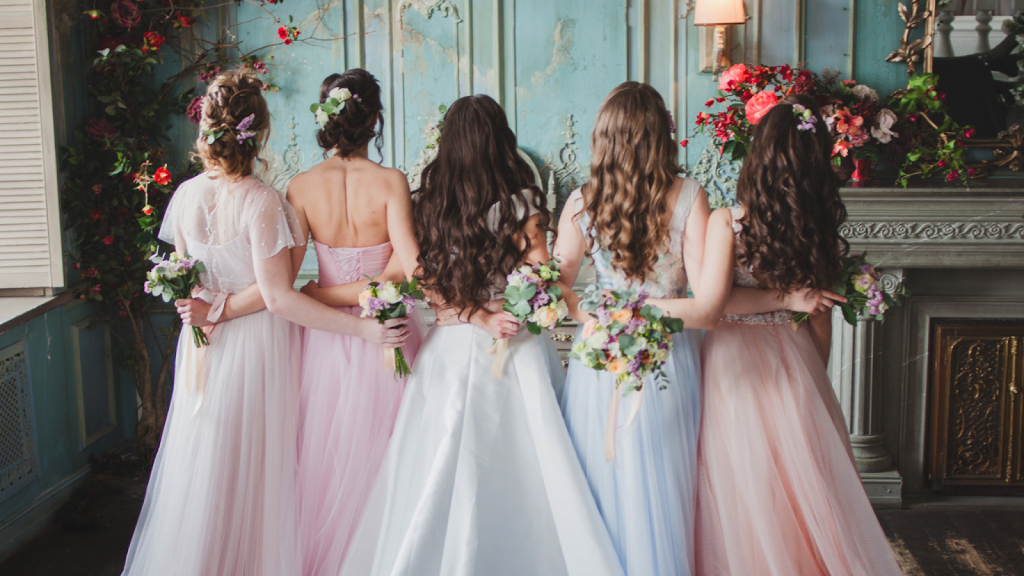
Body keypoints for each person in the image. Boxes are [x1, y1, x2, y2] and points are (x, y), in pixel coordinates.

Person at [121, 69, 408, 576]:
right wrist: (360, 323)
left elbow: (184, 279)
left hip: (204, 343)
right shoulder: (262, 200)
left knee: (206, 458)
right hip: (254, 341)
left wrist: (204, 311)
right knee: (258, 466)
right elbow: (278, 296)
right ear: (259, 132)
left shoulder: (188, 195)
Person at [354, 94, 624, 576]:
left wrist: (474, 314)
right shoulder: (523, 202)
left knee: (439, 467)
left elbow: (424, 280)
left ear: (449, 144)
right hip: (514, 341)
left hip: (450, 348)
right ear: (501, 140)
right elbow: (542, 273)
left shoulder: (428, 204)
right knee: (526, 467)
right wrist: (506, 308)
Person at [648, 93, 902, 576]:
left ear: (758, 155)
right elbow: (818, 314)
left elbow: (715, 303)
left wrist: (793, 312)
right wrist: (814, 374)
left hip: (732, 360)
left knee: (742, 482)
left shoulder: (730, 221)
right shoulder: (818, 224)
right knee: (800, 486)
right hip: (794, 355)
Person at [552, 81, 710, 576]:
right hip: (666, 353)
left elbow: (559, 287)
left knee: (611, 475)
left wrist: (596, 321)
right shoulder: (691, 196)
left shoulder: (583, 200)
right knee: (662, 482)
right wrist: (627, 319)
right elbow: (704, 308)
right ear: (660, 132)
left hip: (601, 355)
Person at [288, 69, 423, 576]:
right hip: (386, 330)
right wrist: (370, 290)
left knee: (327, 460)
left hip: (324, 333)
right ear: (375, 120)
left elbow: (288, 282)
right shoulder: (391, 182)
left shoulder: (299, 187)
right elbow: (406, 269)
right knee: (390, 452)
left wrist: (323, 293)